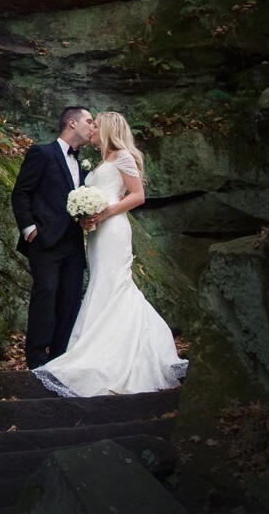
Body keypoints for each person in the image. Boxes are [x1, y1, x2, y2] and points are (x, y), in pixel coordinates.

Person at [34, 111, 188, 397]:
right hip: (97, 233)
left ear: (108, 129)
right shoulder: (100, 161)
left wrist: (105, 212)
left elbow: (137, 196)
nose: (91, 129)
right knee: (102, 284)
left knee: (115, 284)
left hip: (114, 230)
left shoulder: (123, 157)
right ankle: (105, 346)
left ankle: (123, 351)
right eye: (90, 123)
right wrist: (86, 217)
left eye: (96, 125)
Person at [11, 106, 94, 370]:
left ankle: (59, 359)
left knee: (70, 299)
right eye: (89, 121)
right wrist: (30, 230)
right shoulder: (42, 153)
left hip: (73, 244)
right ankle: (36, 360)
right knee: (45, 294)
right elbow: (21, 193)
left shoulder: (82, 163)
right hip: (45, 241)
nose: (92, 127)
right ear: (72, 122)